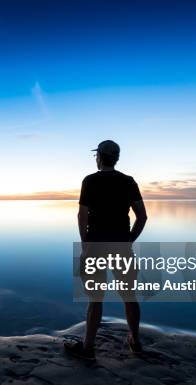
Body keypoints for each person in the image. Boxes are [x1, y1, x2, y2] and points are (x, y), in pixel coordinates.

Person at [65, 140, 148, 359]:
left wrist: (85, 246)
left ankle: (88, 347)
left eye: (96, 156)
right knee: (129, 296)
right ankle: (135, 341)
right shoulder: (128, 182)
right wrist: (129, 240)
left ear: (100, 157)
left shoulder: (90, 181)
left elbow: (82, 216)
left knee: (95, 299)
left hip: (95, 247)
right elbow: (142, 216)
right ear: (116, 158)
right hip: (121, 246)